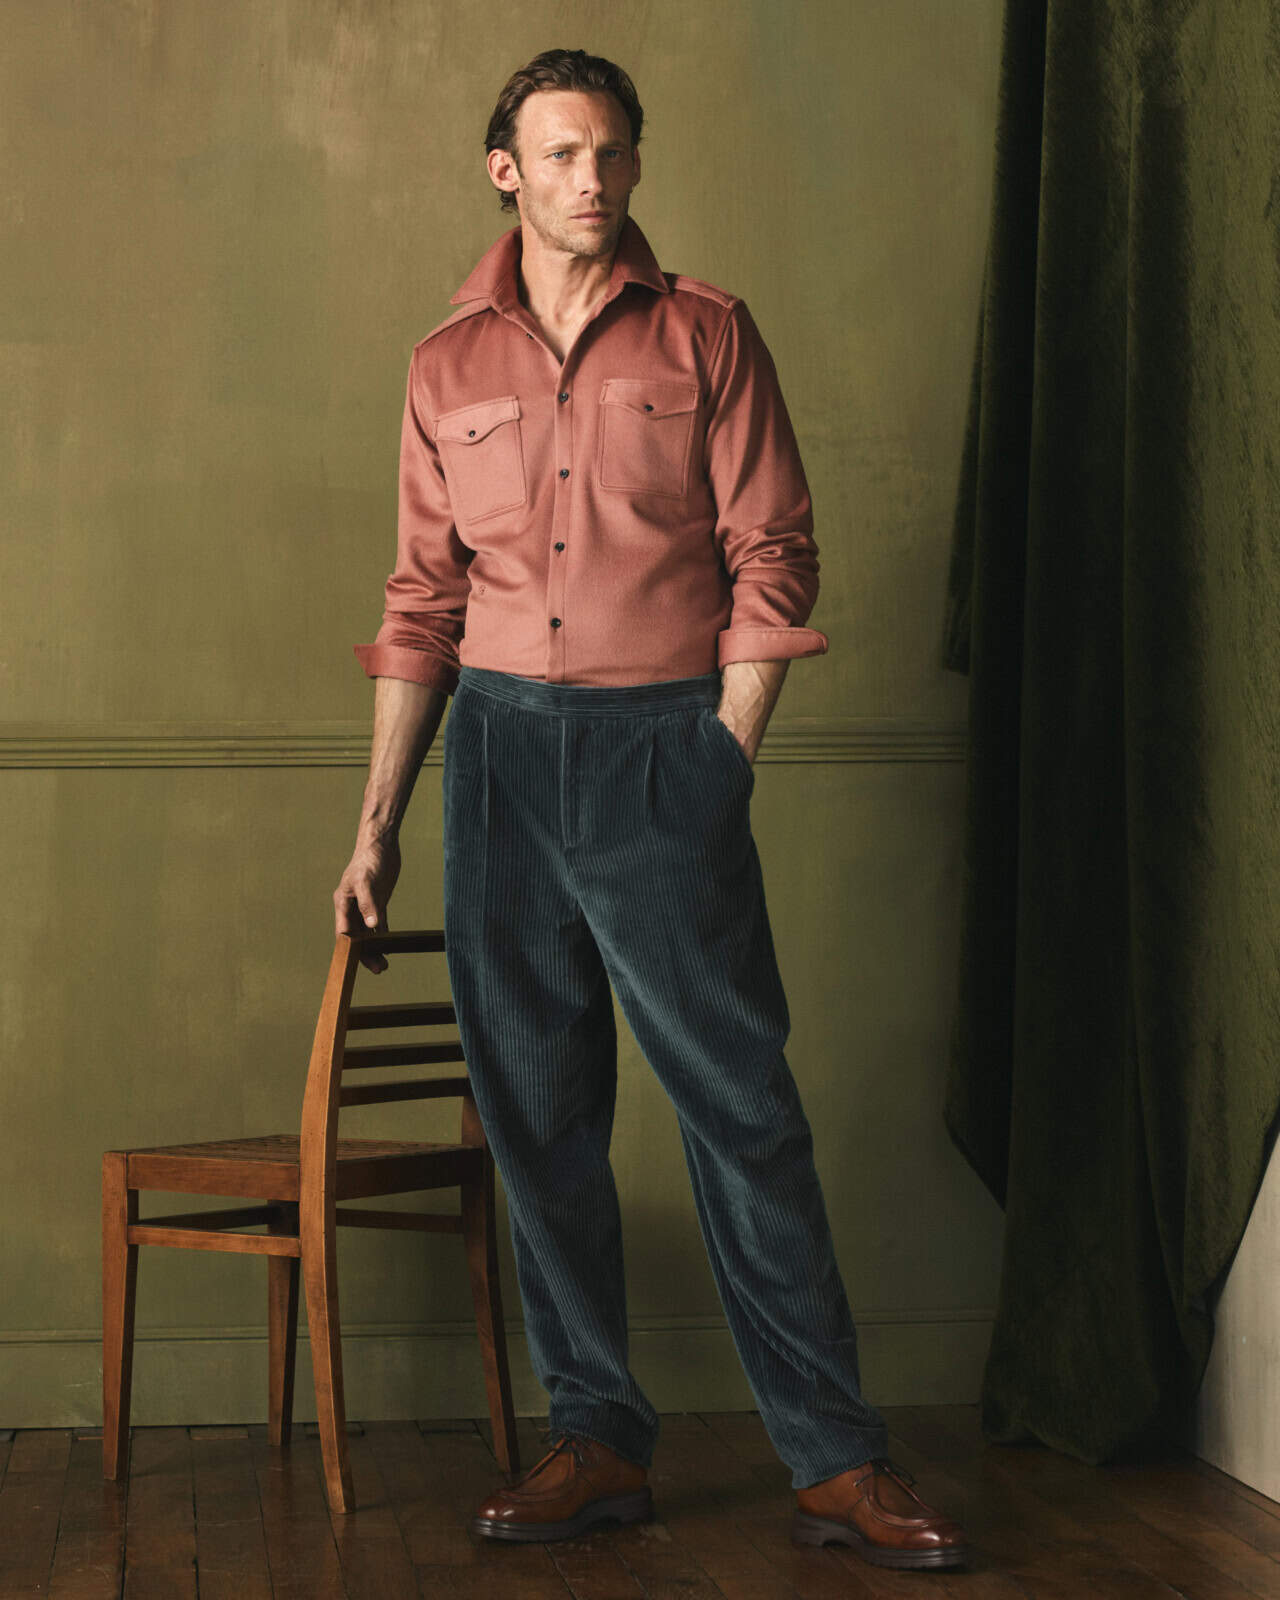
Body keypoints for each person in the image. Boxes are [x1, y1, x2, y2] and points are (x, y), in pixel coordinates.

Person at [334, 46, 968, 1572]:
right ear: (507, 170)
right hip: (496, 762)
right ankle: (598, 1436)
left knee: (739, 1108)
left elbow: (775, 553)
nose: (593, 180)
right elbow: (422, 602)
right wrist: (378, 824)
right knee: (538, 1116)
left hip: (657, 752)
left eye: (613, 153)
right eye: (562, 155)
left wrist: (723, 754)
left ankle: (835, 1458)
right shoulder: (444, 364)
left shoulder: (707, 334)